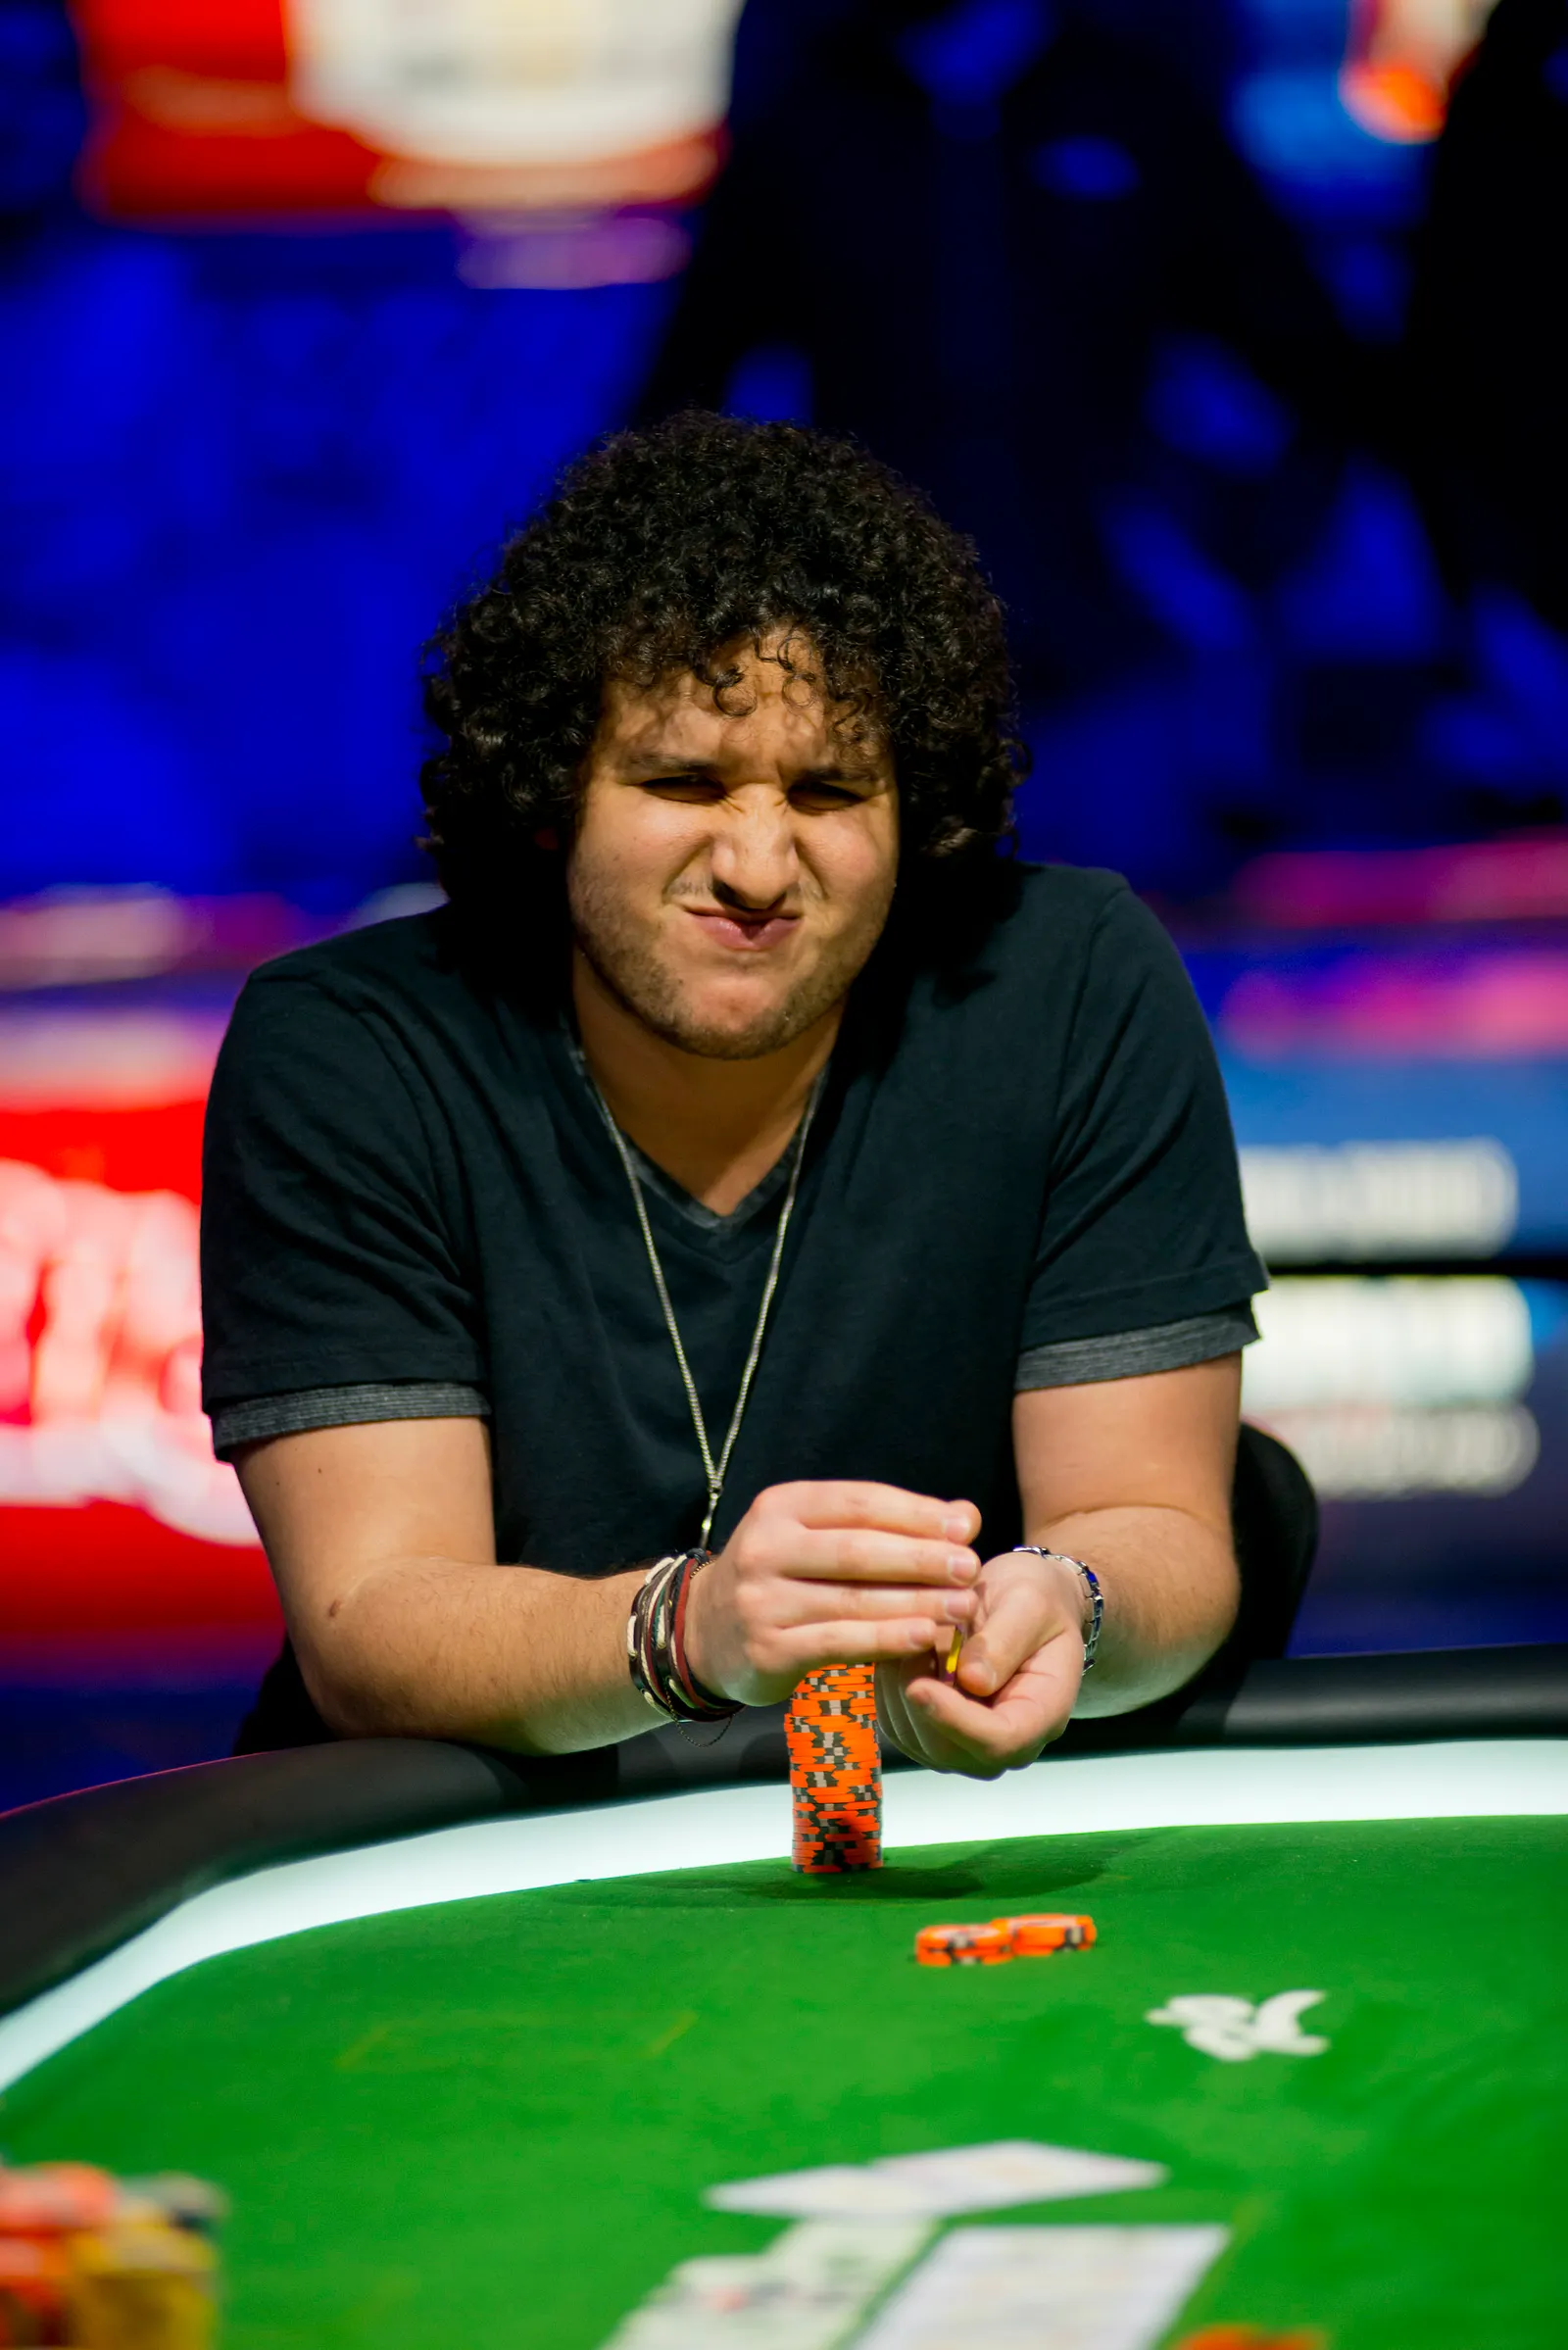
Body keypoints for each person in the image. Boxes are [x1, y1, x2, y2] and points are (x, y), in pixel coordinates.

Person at [201, 413, 1298, 1783]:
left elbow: (1159, 1528)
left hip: (944, 1831)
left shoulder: (1072, 979)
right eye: (683, 780)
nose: (760, 866)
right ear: (551, 795)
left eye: (829, 790)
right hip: (456, 1854)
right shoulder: (352, 1048)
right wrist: (693, 1630)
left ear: (913, 810)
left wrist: (1066, 1609)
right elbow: (373, 1623)